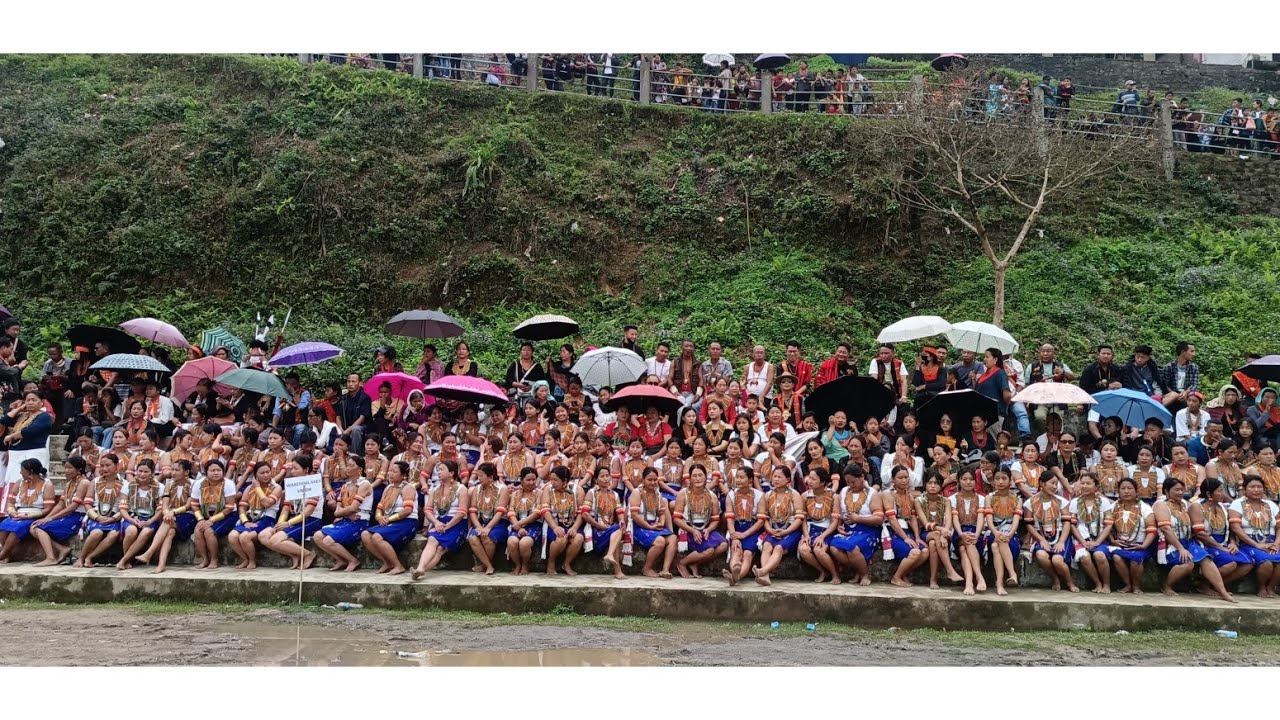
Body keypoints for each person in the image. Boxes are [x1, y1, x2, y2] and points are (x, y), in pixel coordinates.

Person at [1154, 477, 1234, 601]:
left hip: (1188, 541)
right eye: (1176, 490)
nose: (1180, 493)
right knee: (1188, 564)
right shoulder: (1160, 504)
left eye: (1182, 490)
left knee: (1205, 558)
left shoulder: (1185, 504)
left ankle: (1223, 592)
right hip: (1170, 544)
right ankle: (1167, 585)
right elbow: (1165, 529)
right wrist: (1180, 549)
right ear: (1166, 491)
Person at [410, 459, 469, 579]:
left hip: (457, 523)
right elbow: (428, 510)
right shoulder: (435, 489)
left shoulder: (461, 488)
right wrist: (436, 522)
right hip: (440, 521)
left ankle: (421, 571)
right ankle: (420, 568)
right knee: (432, 540)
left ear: (451, 473)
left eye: (442, 470)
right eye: (438, 470)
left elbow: (462, 512)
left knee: (441, 548)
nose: (439, 472)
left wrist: (448, 526)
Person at [360, 460, 420, 575]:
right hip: (389, 521)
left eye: (394, 471)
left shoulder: (408, 488)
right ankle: (386, 562)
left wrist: (389, 519)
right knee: (365, 534)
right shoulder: (388, 488)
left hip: (407, 521)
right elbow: (380, 507)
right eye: (390, 471)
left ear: (403, 475)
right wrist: (379, 517)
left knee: (377, 537)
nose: (390, 474)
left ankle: (398, 566)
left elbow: (408, 510)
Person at [29, 455, 91, 566]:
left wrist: (52, 518)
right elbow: (60, 505)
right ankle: (62, 549)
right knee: (34, 527)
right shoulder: (69, 484)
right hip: (69, 515)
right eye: (65, 468)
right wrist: (47, 518)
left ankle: (51, 558)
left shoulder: (84, 483)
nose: (66, 471)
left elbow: (73, 507)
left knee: (37, 528)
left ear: (79, 469)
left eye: (70, 468)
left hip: (79, 516)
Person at [313, 462, 373, 573]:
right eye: (347, 465)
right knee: (317, 536)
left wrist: (343, 512)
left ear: (359, 468)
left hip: (360, 521)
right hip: (346, 520)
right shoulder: (345, 486)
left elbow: (353, 508)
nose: (348, 468)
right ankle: (340, 559)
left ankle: (353, 560)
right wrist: (346, 513)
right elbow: (337, 512)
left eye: (351, 465)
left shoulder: (364, 484)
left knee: (328, 540)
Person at [1196, 477, 1254, 587]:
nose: (1223, 494)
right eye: (1220, 491)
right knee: (1231, 564)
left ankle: (1215, 586)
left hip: (1224, 542)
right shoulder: (1197, 506)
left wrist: (1232, 542)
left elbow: (1231, 529)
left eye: (1223, 490)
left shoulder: (1224, 507)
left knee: (1248, 564)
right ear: (1209, 494)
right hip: (1205, 543)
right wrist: (1220, 547)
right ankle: (1203, 584)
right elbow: (1200, 534)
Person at [1228, 475, 1280, 597]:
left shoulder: (1271, 504)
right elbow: (1235, 528)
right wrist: (1257, 544)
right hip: (1248, 542)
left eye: (1259, 487)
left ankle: (1271, 587)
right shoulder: (1237, 504)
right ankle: (1261, 587)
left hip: (1271, 541)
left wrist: (1277, 543)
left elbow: (1279, 527)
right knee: (1266, 561)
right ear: (1244, 490)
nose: (1256, 490)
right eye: (1252, 487)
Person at [1024, 475, 1078, 592]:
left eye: (1056, 484)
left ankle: (1069, 582)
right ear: (1042, 484)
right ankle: (1055, 579)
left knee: (1057, 560)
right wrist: (1041, 539)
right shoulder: (1030, 502)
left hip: (1060, 535)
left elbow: (1066, 523)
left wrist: (1061, 541)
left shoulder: (1062, 502)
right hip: (1041, 535)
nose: (1055, 487)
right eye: (1052, 483)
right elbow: (1029, 525)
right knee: (1041, 556)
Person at [752, 466, 804, 587]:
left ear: (787, 479)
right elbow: (763, 517)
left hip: (791, 529)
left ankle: (763, 571)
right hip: (773, 528)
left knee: (779, 548)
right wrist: (770, 529)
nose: (776, 479)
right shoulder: (768, 495)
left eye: (779, 477)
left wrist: (786, 532)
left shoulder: (794, 494)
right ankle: (765, 577)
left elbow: (799, 518)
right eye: (774, 476)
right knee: (767, 546)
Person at [1103, 477, 1157, 594]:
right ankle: (1128, 585)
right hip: (1120, 544)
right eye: (1123, 488)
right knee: (1117, 557)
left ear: (1136, 491)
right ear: (1118, 491)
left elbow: (1152, 530)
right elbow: (1107, 528)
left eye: (1129, 488)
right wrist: (1112, 541)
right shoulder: (1112, 508)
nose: (1126, 491)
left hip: (1140, 544)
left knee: (1135, 559)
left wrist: (1143, 545)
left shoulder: (1145, 508)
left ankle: (1136, 586)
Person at [672, 464, 726, 578]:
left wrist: (708, 529)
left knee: (723, 546)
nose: (697, 478)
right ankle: (682, 563)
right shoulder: (683, 493)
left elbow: (715, 519)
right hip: (688, 529)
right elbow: (676, 518)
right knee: (709, 550)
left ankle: (695, 562)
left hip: (705, 528)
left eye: (700, 475)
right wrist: (692, 530)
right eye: (694, 476)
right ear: (690, 478)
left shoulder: (712, 496)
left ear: (706, 477)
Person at [226, 461, 282, 570]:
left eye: (267, 472)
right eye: (262, 473)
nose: (266, 475)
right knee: (232, 536)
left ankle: (252, 560)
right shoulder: (248, 488)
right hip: (250, 517)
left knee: (244, 537)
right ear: (256, 475)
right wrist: (245, 521)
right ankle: (244, 559)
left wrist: (257, 487)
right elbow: (242, 507)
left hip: (267, 517)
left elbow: (266, 503)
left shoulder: (276, 488)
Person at [0, 458, 56, 562]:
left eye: (22, 470)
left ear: (30, 472)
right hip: (18, 513)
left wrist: (27, 516)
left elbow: (48, 509)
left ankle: (2, 555)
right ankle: (7, 555)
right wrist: (12, 512)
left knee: (16, 529)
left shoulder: (47, 485)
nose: (20, 472)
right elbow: (10, 502)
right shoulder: (19, 482)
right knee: (3, 527)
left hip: (35, 515)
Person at [114, 458, 165, 570]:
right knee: (131, 531)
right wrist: (132, 520)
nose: (142, 474)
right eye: (140, 471)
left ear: (152, 473)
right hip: (132, 516)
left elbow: (160, 510)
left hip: (151, 518)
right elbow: (123, 509)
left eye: (146, 472)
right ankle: (128, 560)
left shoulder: (159, 487)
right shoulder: (128, 485)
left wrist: (149, 521)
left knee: (146, 531)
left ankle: (124, 560)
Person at [882, 464, 927, 587]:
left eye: (906, 477)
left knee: (925, 552)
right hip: (894, 531)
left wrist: (916, 537)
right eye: (900, 478)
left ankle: (903, 573)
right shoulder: (888, 494)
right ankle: (896, 577)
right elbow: (892, 518)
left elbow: (912, 517)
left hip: (908, 531)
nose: (904, 480)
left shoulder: (910, 495)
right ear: (893, 480)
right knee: (915, 552)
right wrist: (906, 538)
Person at [1069, 472, 1114, 593]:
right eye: (1082, 483)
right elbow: (1072, 525)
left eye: (1088, 483)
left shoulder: (1103, 502)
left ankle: (1106, 584)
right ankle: (1097, 583)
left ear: (1096, 485)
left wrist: (1097, 541)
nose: (1084, 486)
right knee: (1084, 556)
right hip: (1081, 538)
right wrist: (1083, 541)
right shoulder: (1075, 502)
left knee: (1099, 555)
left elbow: (1108, 524)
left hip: (1099, 538)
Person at [916, 472, 963, 588]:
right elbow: (924, 523)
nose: (933, 486)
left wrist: (943, 533)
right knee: (935, 536)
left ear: (941, 485)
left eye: (936, 483)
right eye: (930, 483)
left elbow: (948, 521)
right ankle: (950, 570)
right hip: (925, 533)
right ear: (925, 485)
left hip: (941, 534)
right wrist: (940, 530)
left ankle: (933, 580)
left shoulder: (946, 501)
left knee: (933, 544)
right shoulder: (919, 501)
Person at [629, 467, 676, 579]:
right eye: (649, 480)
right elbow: (634, 515)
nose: (653, 482)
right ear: (643, 480)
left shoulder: (658, 494)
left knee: (673, 538)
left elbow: (662, 513)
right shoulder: (637, 492)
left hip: (653, 526)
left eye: (655, 480)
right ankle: (647, 568)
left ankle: (665, 569)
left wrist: (661, 523)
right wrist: (649, 526)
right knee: (660, 541)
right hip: (639, 526)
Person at [2, 389, 54, 488]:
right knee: (13, 480)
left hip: (33, 452)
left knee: (32, 479)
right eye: (27, 400)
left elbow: (30, 431)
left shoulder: (44, 416)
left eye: (33, 400)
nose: (30, 402)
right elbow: (4, 420)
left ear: (41, 402)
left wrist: (12, 436)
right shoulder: (22, 415)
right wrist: (19, 408)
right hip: (16, 453)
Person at [582, 466, 627, 579]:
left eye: (607, 476)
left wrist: (622, 521)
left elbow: (620, 512)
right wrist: (599, 526)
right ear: (596, 480)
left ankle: (611, 556)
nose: (606, 478)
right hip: (595, 529)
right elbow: (585, 514)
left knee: (618, 528)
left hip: (609, 528)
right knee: (616, 531)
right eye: (602, 476)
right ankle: (617, 569)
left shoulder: (614, 494)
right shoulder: (591, 493)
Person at [796, 467, 839, 583]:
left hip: (828, 530)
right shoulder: (805, 496)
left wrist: (822, 536)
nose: (809, 481)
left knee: (819, 550)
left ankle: (835, 575)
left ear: (823, 482)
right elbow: (803, 519)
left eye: (813, 479)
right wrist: (806, 535)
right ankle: (822, 571)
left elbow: (835, 521)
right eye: (809, 478)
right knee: (803, 549)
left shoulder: (833, 496)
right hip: (811, 528)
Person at [949, 468, 987, 595]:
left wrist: (976, 535)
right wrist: (960, 533)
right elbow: (954, 519)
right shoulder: (952, 498)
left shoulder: (981, 498)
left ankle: (969, 583)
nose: (968, 482)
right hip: (959, 531)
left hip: (977, 532)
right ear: (958, 481)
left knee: (964, 548)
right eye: (964, 479)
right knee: (965, 543)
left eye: (971, 479)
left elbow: (981, 518)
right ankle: (979, 577)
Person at [986, 470, 1021, 595]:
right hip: (994, 533)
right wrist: (996, 532)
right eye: (997, 478)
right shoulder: (989, 497)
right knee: (997, 541)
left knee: (996, 545)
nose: (1000, 482)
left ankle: (999, 584)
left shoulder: (1017, 499)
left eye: (1004, 478)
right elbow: (989, 521)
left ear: (1010, 480)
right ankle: (1012, 574)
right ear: (994, 480)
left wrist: (1010, 533)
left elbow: (1015, 521)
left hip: (1010, 534)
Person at [504, 467, 543, 575]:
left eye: (534, 479)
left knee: (524, 543)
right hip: (517, 524)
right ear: (521, 480)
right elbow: (511, 512)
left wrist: (519, 524)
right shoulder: (515, 494)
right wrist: (518, 526)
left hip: (534, 524)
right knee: (512, 542)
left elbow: (537, 513)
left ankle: (525, 564)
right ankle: (517, 565)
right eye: (528, 480)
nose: (531, 482)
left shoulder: (540, 493)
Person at [973, 348, 1012, 434]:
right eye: (984, 357)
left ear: (995, 359)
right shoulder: (984, 375)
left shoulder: (1000, 373)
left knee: (994, 440)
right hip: (981, 415)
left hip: (995, 414)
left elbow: (1007, 395)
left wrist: (1004, 408)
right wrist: (973, 380)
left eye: (987, 357)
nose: (984, 359)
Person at [1158, 341, 1200, 412]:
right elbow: (1165, 384)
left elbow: (1194, 384)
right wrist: (1176, 395)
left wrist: (1186, 392)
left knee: (1194, 400)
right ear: (1183, 352)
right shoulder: (1169, 367)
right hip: (1172, 395)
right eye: (1191, 351)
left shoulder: (1194, 367)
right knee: (1173, 396)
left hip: (1187, 395)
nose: (1194, 354)